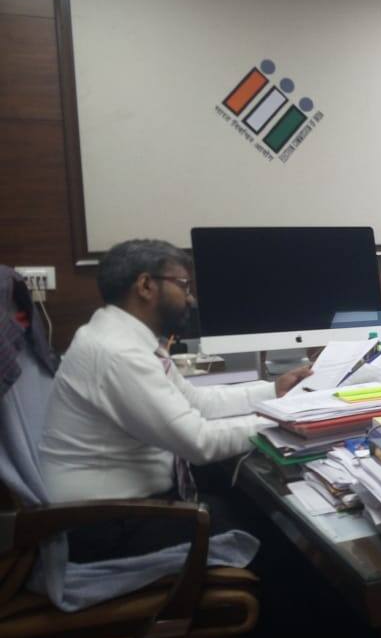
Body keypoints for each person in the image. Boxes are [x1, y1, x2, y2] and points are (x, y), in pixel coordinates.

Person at [38, 239, 311, 561]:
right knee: (272, 536)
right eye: (183, 285)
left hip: (118, 507)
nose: (190, 298)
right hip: (101, 525)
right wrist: (285, 420)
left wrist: (273, 391)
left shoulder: (123, 337)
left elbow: (196, 402)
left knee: (251, 507)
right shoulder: (117, 353)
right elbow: (199, 443)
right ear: (146, 286)